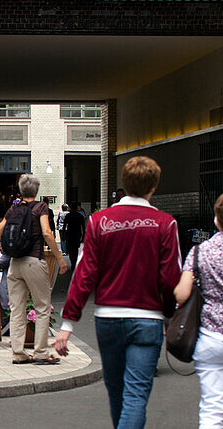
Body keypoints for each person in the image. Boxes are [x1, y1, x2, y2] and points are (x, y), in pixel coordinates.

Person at [55, 156, 182, 429]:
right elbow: (170, 277)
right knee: (136, 395)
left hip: (109, 317)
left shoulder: (99, 222)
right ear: (153, 187)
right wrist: (169, 314)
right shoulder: (165, 224)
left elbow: (85, 274)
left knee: (116, 392)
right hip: (148, 317)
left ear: (124, 184)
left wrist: (68, 323)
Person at [174, 188, 223, 428]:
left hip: (211, 337)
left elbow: (183, 293)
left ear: (217, 218)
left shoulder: (200, 252)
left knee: (212, 409)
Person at [4, 172, 68, 364]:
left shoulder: (13, 209)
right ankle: (40, 352)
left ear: (21, 190)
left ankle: (18, 353)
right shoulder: (40, 207)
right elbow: (47, 233)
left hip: (15, 264)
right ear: (37, 189)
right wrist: (60, 259)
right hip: (34, 260)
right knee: (41, 307)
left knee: (17, 309)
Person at [63, 201, 85, 269]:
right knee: (75, 249)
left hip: (69, 234)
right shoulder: (80, 216)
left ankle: (72, 261)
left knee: (70, 249)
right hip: (77, 234)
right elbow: (83, 227)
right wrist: (83, 235)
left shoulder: (68, 216)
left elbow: (64, 225)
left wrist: (64, 234)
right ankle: (74, 261)